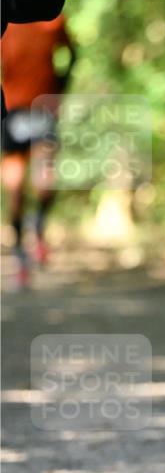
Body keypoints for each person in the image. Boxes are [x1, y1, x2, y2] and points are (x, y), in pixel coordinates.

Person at [1, 15, 75, 287]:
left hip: (43, 108)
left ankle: (38, 227)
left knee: (45, 183)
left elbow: (73, 53)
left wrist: (60, 88)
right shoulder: (5, 18)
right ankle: (20, 258)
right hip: (12, 110)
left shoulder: (52, 19)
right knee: (16, 189)